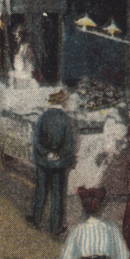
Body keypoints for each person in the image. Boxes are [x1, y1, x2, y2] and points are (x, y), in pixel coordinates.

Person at [26, 93, 77, 235]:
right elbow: (69, 145)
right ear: (62, 103)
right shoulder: (66, 120)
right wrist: (59, 155)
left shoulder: (42, 117)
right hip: (59, 164)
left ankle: (36, 219)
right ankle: (56, 227)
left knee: (40, 190)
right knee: (57, 196)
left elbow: (37, 141)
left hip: (43, 162)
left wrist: (47, 153)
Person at [100, 102, 130, 198]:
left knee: (120, 160)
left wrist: (126, 140)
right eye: (129, 112)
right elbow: (126, 137)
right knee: (115, 157)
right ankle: (115, 189)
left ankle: (128, 189)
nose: (129, 114)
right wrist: (121, 140)